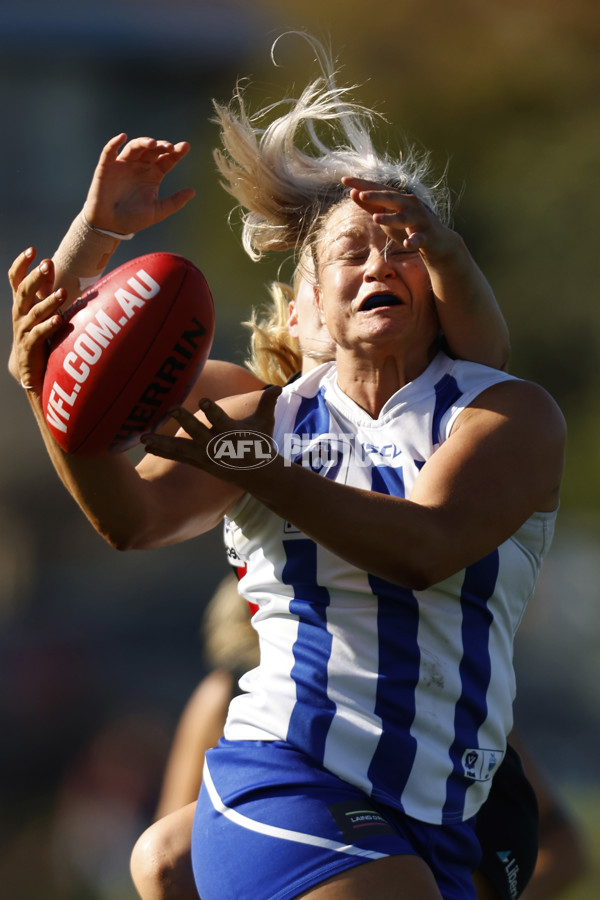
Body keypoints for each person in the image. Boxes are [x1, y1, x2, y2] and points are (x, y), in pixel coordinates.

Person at [10, 35, 566, 900]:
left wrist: (264, 474)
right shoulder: (263, 413)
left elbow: (424, 547)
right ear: (302, 309)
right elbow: (128, 515)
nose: (382, 260)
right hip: (289, 768)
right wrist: (78, 287)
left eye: (406, 245)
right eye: (352, 251)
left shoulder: (506, 415)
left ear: (445, 283)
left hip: (459, 808)